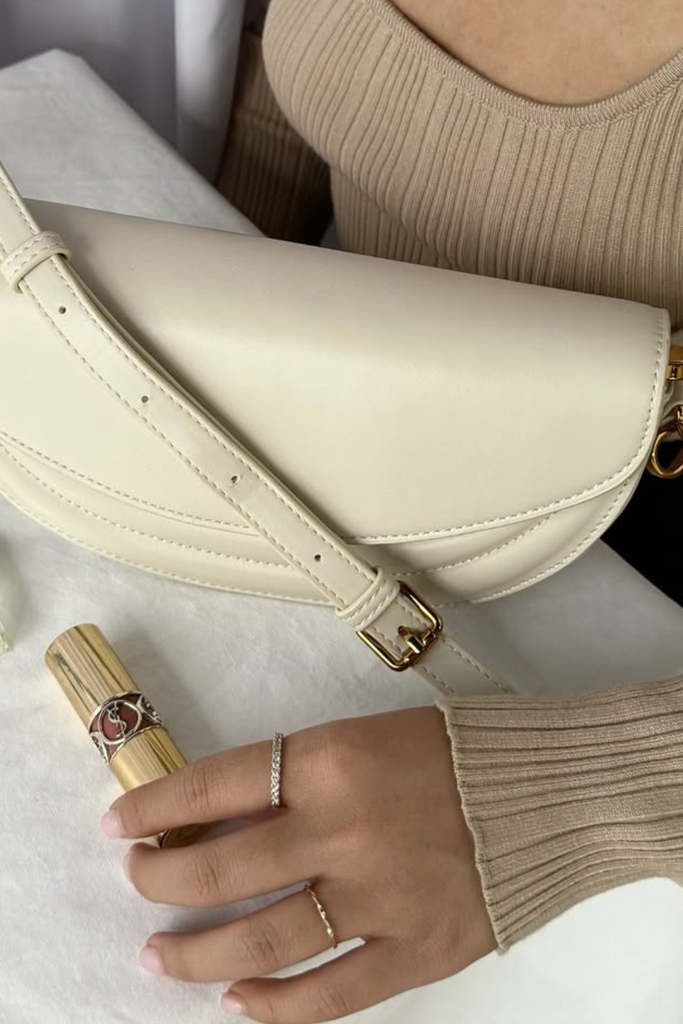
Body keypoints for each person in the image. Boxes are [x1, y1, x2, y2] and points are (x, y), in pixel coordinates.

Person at [102, 2, 683, 1021]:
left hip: (618, 646)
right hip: (325, 505)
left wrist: (572, 796)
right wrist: (185, 344)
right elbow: (295, 105)